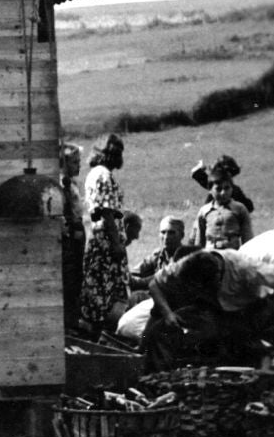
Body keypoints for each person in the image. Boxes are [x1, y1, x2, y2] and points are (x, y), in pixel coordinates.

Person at [143, 249, 274, 399]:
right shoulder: (185, 265)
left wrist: (269, 313)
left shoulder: (245, 268)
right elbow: (154, 285)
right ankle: (157, 390)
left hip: (254, 309)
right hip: (213, 311)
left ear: (219, 276)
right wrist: (168, 314)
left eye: (207, 287)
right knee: (161, 332)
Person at [78, 134, 130, 337]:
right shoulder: (104, 176)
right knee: (109, 290)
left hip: (99, 237)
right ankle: (106, 332)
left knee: (99, 287)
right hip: (106, 241)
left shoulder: (94, 173)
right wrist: (116, 243)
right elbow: (107, 212)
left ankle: (98, 330)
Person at [58, 143, 85, 332]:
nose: (78, 166)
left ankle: (73, 322)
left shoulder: (71, 183)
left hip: (77, 236)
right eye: (75, 162)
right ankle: (69, 325)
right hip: (69, 238)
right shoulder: (63, 185)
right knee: (70, 279)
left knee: (76, 277)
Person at [129, 215, 190, 291]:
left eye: (171, 233)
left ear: (182, 235)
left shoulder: (188, 258)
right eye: (163, 232)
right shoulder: (158, 256)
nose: (166, 237)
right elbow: (133, 273)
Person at [191, 175, 253, 250]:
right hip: (210, 253)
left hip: (232, 253)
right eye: (218, 189)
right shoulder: (204, 211)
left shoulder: (239, 209)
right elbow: (200, 240)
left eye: (227, 188)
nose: (223, 193)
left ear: (232, 189)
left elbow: (247, 238)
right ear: (210, 190)